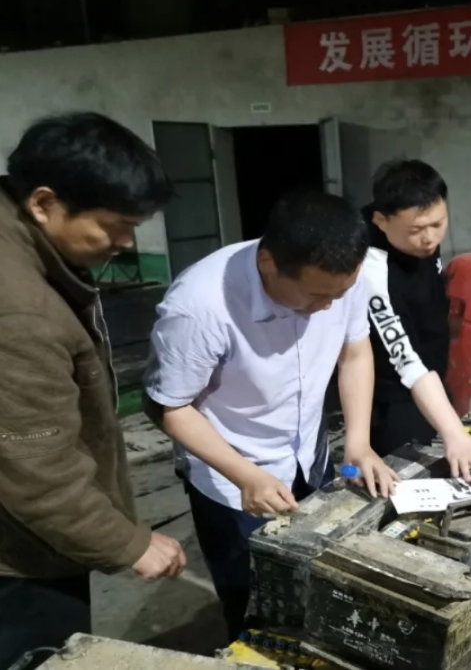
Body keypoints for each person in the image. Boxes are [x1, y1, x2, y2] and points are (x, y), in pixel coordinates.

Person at [143, 190, 376, 641]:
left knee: (323, 584)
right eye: (316, 296)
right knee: (254, 606)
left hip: (309, 458)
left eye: (341, 294)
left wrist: (359, 442)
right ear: (268, 264)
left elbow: (355, 352)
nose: (329, 306)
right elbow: (171, 406)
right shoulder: (199, 307)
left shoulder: (340, 276)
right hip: (233, 478)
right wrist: (245, 475)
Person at [0, 112, 186, 670]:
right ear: (44, 202)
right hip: (17, 559)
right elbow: (35, 467)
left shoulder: (29, 248)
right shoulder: (21, 311)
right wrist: (126, 542)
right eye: (115, 225)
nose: (126, 243)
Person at [361, 159, 471, 483]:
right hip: (395, 396)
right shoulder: (372, 269)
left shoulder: (420, 242)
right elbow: (405, 359)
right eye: (416, 230)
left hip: (432, 380)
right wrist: (454, 434)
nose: (430, 239)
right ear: (381, 221)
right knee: (410, 483)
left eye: (438, 223)